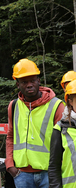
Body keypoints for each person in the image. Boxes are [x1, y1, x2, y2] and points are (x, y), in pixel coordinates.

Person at [5, 58, 65, 188]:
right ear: (18, 84)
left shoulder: (56, 106)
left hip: (48, 174)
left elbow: (66, 140)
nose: (29, 85)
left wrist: (59, 168)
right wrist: (10, 164)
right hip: (21, 174)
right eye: (24, 82)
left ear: (38, 80)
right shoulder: (14, 106)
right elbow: (10, 136)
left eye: (32, 80)